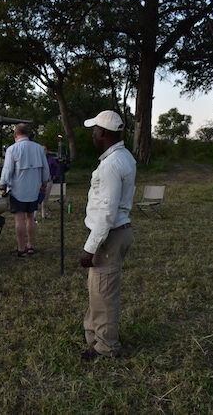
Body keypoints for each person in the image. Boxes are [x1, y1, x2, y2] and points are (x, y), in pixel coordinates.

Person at [80, 110, 136, 361]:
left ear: (103, 133)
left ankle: (106, 346)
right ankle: (94, 335)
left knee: (103, 293)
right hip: (115, 233)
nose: (92, 135)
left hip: (109, 235)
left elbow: (106, 212)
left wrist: (90, 247)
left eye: (94, 131)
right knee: (98, 289)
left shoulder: (112, 164)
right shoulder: (122, 157)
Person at [0, 123, 50, 257]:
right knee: (31, 218)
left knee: (19, 219)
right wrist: (44, 183)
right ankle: (31, 246)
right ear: (27, 134)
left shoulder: (12, 149)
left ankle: (21, 249)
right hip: (34, 190)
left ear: (15, 134)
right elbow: (45, 169)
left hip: (18, 190)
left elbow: (7, 170)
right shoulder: (39, 148)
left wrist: (2, 185)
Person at [39, 145, 61, 219]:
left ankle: (44, 214)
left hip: (48, 181)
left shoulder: (51, 159)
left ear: (47, 151)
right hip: (38, 181)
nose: (43, 151)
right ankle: (34, 216)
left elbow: (57, 168)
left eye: (45, 149)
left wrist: (55, 175)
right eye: (42, 149)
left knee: (45, 198)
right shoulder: (37, 159)